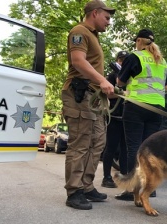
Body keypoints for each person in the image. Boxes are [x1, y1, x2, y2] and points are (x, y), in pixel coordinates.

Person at [61, 0, 115, 210]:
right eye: (107, 18)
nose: (109, 22)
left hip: (94, 98)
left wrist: (105, 88)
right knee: (81, 144)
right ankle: (74, 191)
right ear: (95, 13)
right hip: (79, 94)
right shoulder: (79, 31)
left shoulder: (94, 36)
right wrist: (102, 80)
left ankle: (86, 185)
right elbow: (78, 61)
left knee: (97, 142)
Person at [115, 28, 167, 200]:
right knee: (150, 150)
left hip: (136, 107)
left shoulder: (134, 57)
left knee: (134, 148)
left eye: (135, 41)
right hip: (156, 109)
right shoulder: (162, 61)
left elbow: (120, 81)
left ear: (139, 41)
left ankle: (133, 189)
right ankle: (150, 188)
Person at [101, 50, 129, 188]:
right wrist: (124, 93)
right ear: (117, 61)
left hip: (127, 117)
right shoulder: (112, 76)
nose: (122, 62)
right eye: (121, 60)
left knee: (125, 149)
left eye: (125, 60)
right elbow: (108, 94)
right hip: (114, 116)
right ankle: (106, 177)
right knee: (111, 147)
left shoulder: (131, 76)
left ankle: (124, 176)